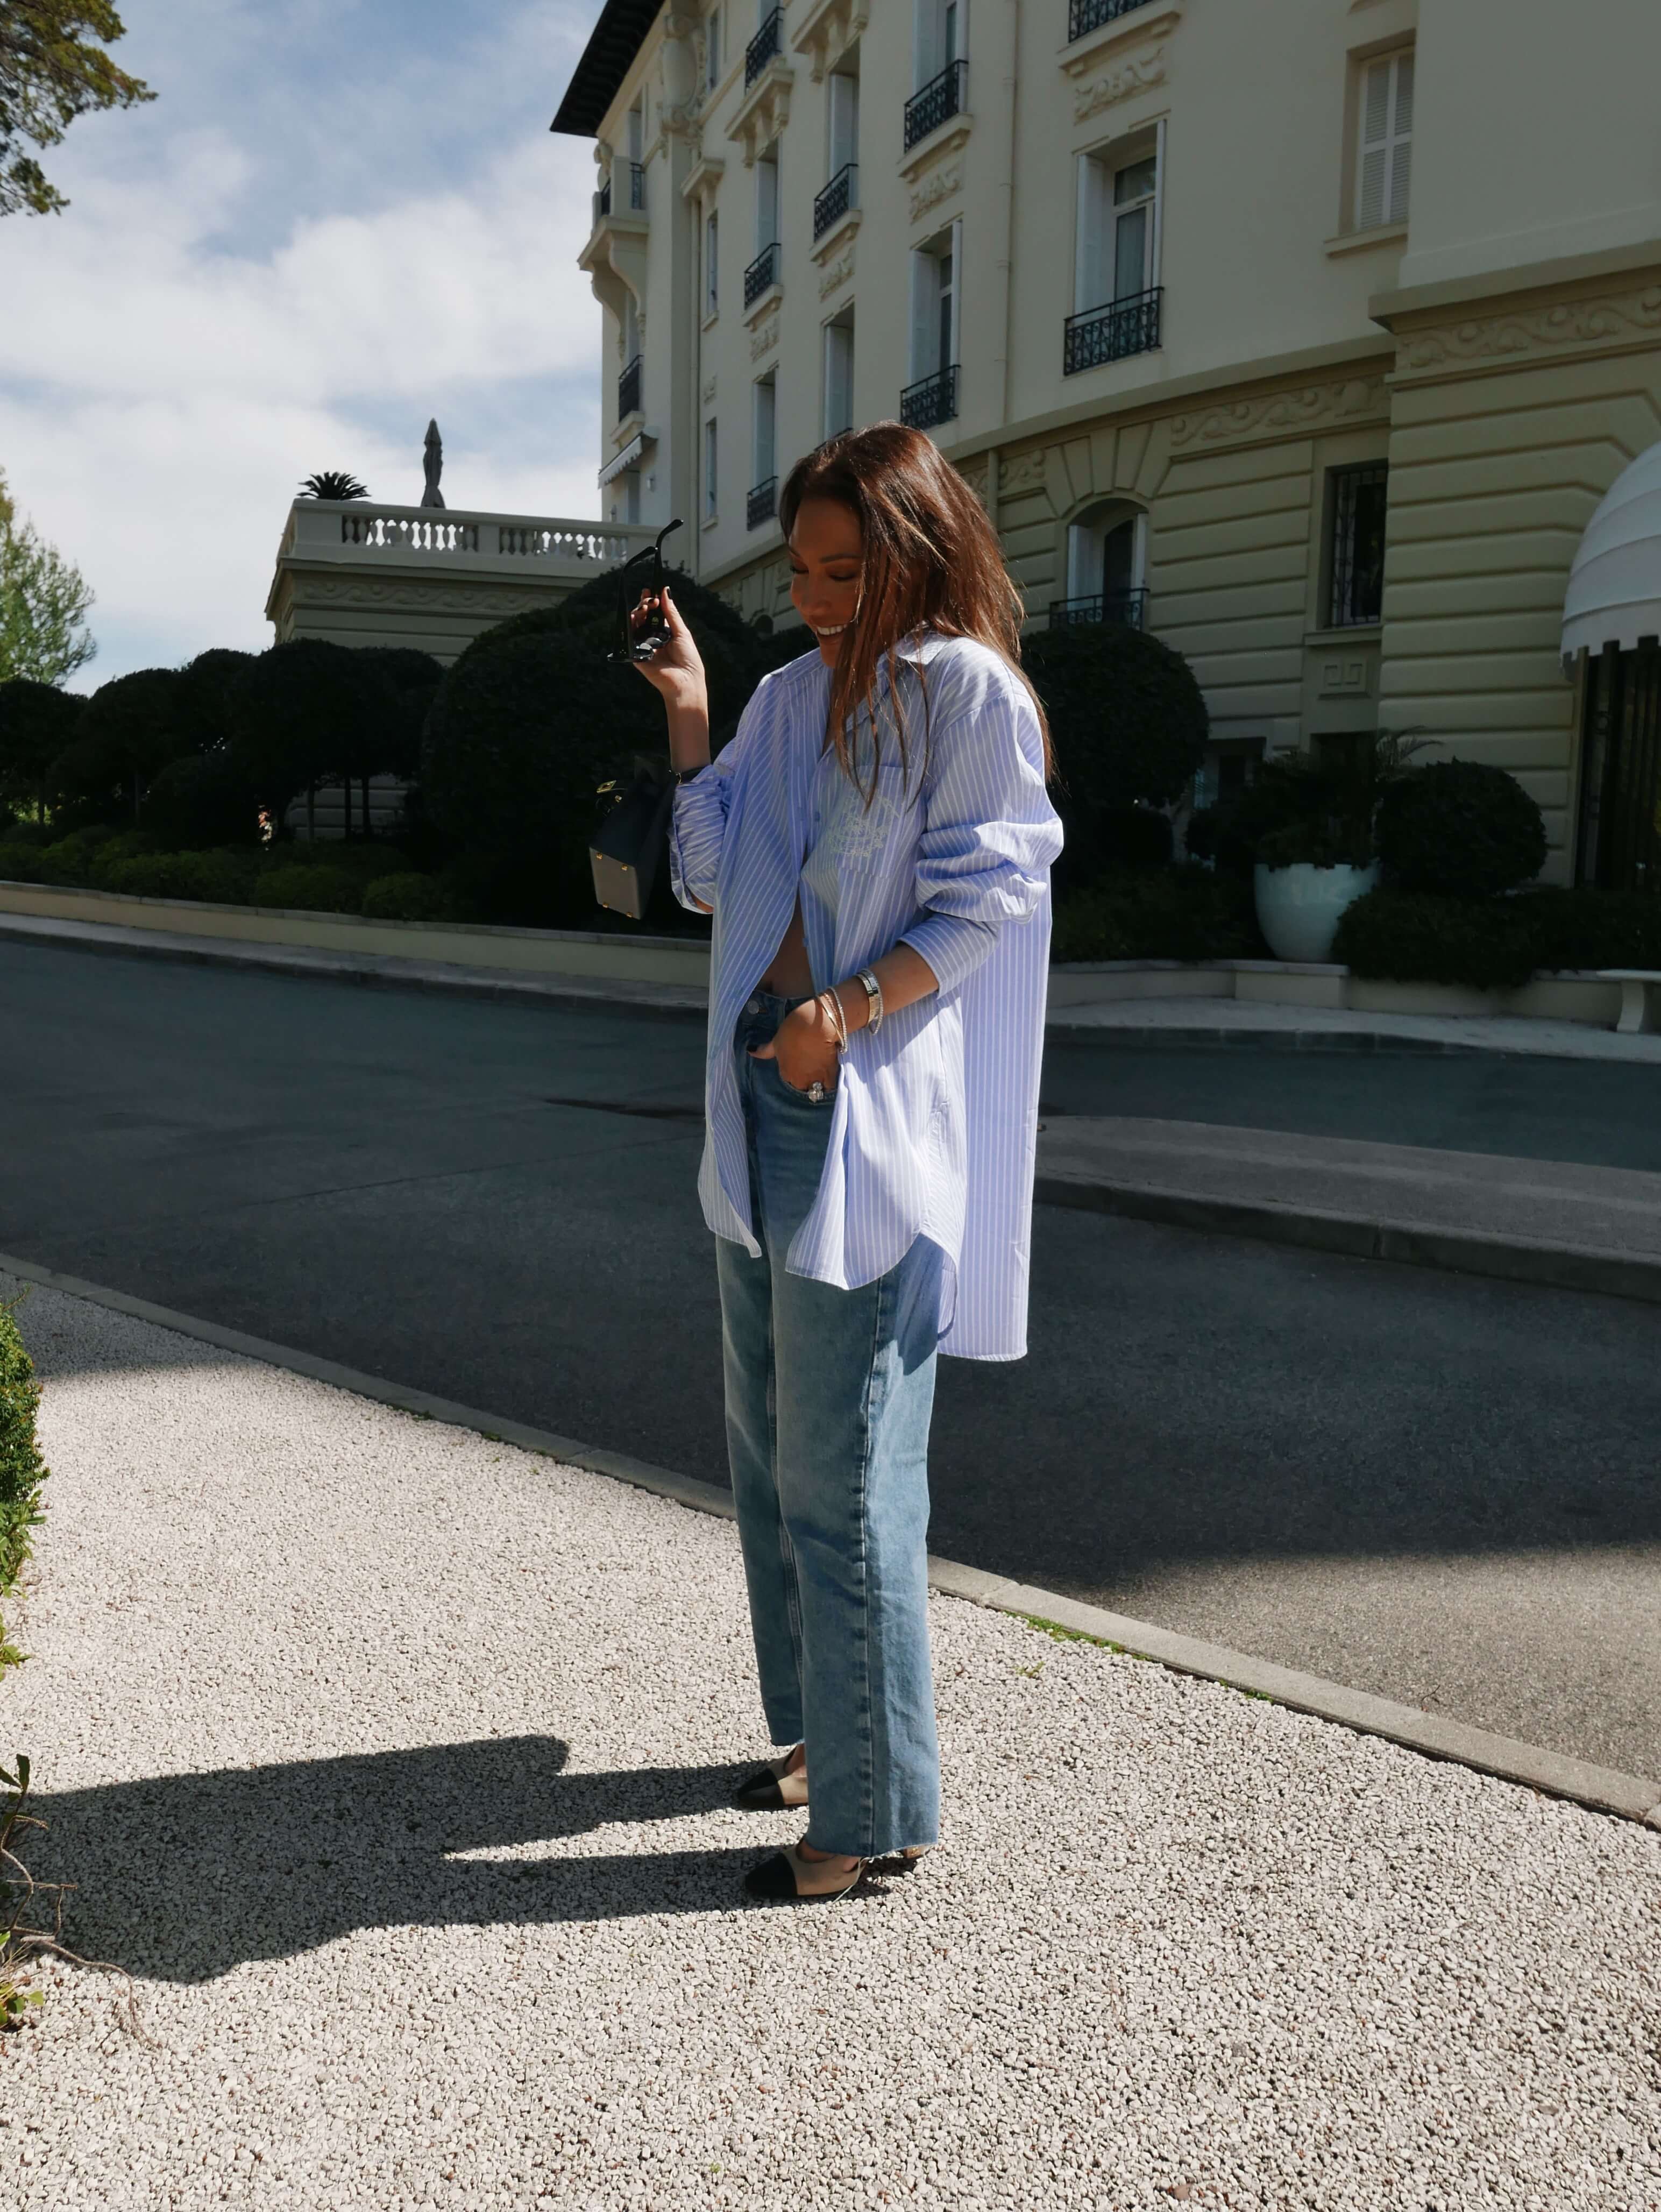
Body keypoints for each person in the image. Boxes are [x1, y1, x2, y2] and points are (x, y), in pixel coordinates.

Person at [632, 421, 1063, 1904]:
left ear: (918, 551)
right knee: (766, 1455)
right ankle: (827, 1737)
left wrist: (843, 1013)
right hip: (759, 1091)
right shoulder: (784, 696)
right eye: (803, 570)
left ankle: (875, 1817)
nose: (819, 595)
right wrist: (691, 715)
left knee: (850, 1474)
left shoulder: (965, 692)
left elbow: (992, 897)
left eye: (847, 567)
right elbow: (702, 874)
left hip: (866, 1107)